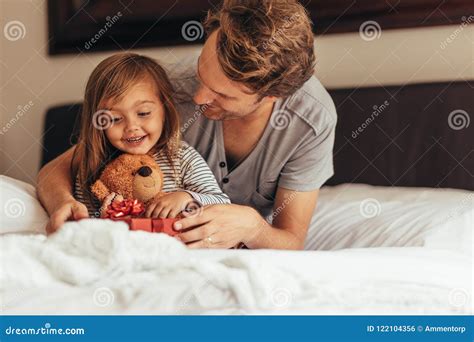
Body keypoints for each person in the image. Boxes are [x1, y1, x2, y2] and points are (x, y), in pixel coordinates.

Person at [37, 0, 337, 250]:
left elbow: (291, 240)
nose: (198, 97)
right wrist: (64, 203)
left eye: (222, 94)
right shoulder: (161, 95)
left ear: (272, 95)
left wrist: (254, 228)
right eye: (201, 74)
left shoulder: (311, 120)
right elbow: (56, 170)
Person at [68, 53, 230, 220]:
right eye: (115, 119)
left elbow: (223, 204)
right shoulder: (92, 167)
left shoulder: (181, 157)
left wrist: (187, 198)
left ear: (165, 111)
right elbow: (84, 224)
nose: (131, 127)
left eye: (144, 113)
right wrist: (106, 219)